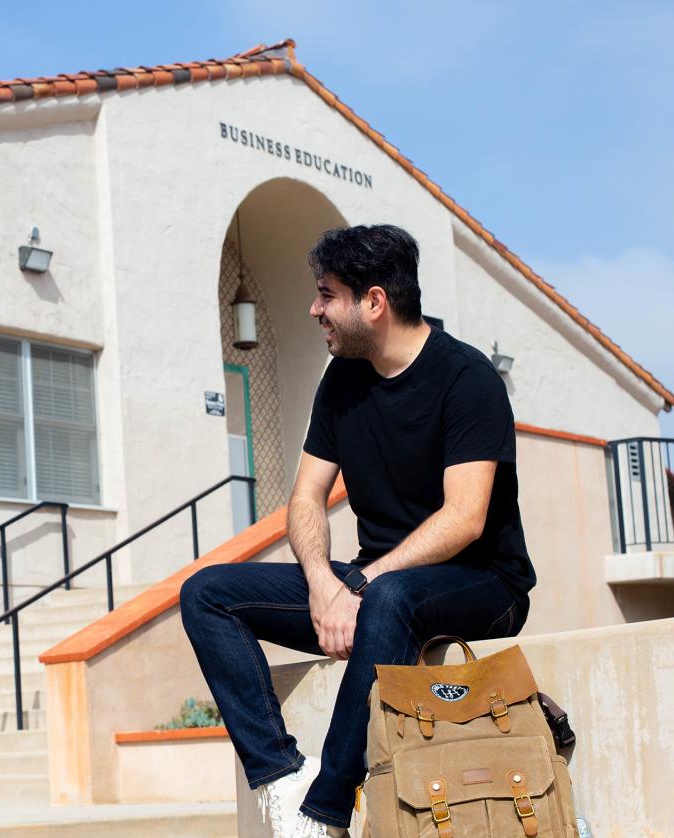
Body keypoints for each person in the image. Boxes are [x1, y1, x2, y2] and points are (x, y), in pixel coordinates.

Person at [180, 224, 535, 838]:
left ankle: (327, 810)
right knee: (206, 593)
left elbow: (464, 517)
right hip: (381, 585)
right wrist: (322, 582)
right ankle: (281, 776)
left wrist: (362, 584)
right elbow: (306, 498)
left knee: (390, 598)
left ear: (374, 303)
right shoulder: (341, 380)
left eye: (326, 295)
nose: (314, 309)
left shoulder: (467, 379)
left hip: (485, 584)